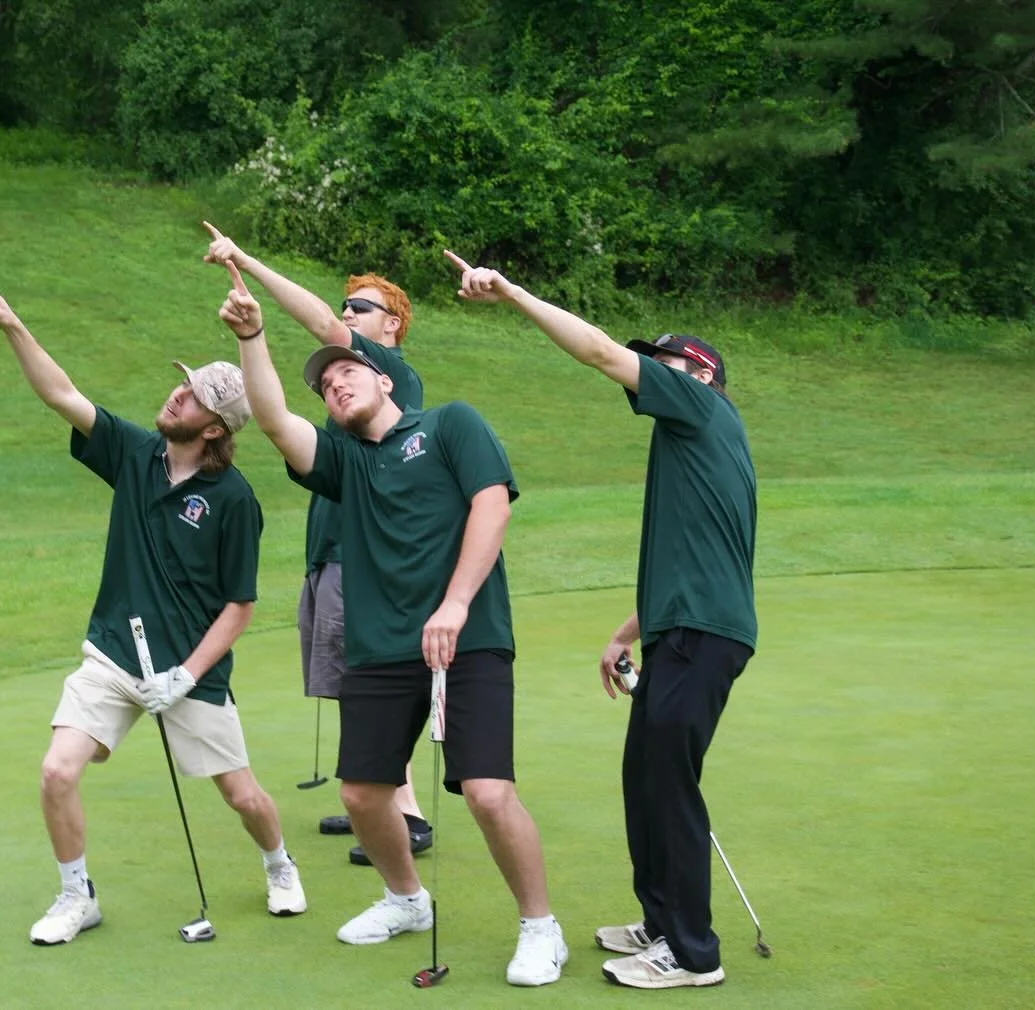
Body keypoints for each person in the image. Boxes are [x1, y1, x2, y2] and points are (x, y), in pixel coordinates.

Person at [214, 265, 567, 987]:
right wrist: (252, 337)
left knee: (488, 791)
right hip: (381, 648)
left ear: (384, 378)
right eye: (325, 384)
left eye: (346, 372)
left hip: (468, 639)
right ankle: (405, 899)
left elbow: (492, 505)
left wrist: (457, 603)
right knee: (362, 794)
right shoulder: (345, 461)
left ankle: (541, 927)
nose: (334, 384)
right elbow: (278, 422)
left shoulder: (449, 425)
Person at [443, 251, 756, 990]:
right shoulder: (692, 446)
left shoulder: (703, 407)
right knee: (644, 777)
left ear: (701, 375)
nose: (647, 372)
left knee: (670, 786)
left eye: (666, 363)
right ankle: (660, 918)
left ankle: (691, 953)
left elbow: (596, 350)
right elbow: (690, 562)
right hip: (683, 627)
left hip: (704, 636)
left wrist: (512, 291)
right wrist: (626, 631)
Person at [0, 271, 306, 947]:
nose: (176, 392)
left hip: (191, 671)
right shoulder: (135, 453)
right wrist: (14, 327)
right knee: (56, 770)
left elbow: (239, 607)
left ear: (213, 427)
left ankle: (279, 863)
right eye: (182, 382)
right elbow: (62, 394)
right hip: (116, 656)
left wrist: (185, 676)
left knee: (243, 796)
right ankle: (76, 896)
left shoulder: (234, 500)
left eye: (194, 396)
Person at [202, 222, 433, 867]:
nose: (348, 313)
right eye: (349, 303)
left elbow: (320, 325)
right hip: (328, 556)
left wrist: (245, 258)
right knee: (346, 679)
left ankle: (403, 813)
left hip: (359, 563)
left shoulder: (389, 373)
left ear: (391, 327)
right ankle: (375, 797)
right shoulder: (345, 391)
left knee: (370, 678)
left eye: (362, 307)